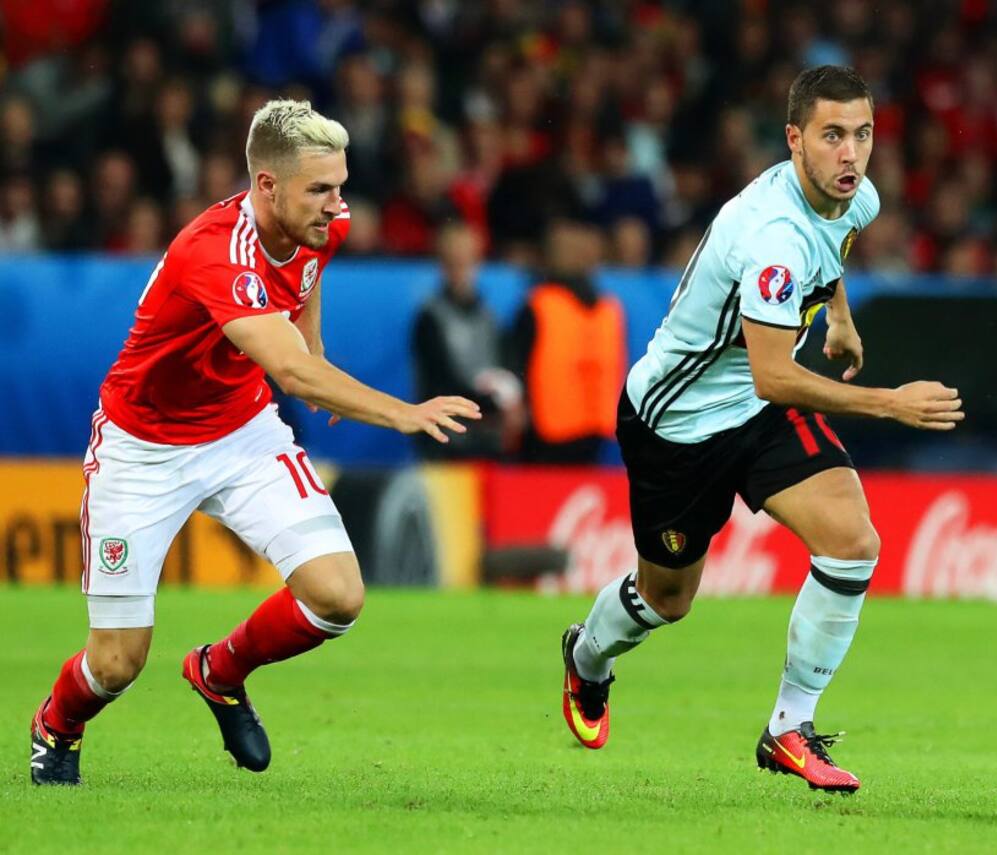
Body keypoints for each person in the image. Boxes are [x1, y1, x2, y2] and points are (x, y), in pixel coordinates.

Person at [29, 100, 480, 786]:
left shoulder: (322, 223)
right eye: (320, 189)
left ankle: (219, 670)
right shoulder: (216, 251)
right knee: (117, 662)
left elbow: (307, 286)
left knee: (338, 596)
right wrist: (399, 412)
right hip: (143, 446)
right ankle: (57, 724)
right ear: (266, 186)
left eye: (341, 185)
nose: (337, 205)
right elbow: (293, 371)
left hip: (241, 430)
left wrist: (318, 346)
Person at [559, 67, 964, 793]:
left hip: (757, 408)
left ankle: (788, 727)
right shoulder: (770, 236)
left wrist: (838, 315)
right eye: (832, 135)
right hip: (675, 427)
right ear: (794, 139)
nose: (851, 154)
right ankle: (587, 657)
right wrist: (892, 404)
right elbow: (776, 372)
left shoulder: (853, 196)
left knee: (852, 540)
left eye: (863, 134)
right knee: (666, 600)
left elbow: (832, 245)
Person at [509, 220, 626, 463]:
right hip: (546, 433)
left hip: (593, 429)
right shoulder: (537, 305)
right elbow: (515, 365)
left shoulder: (609, 308)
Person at [411, 222, 523, 459]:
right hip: (446, 440)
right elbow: (439, 379)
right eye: (452, 262)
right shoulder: (429, 318)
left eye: (465, 261)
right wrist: (490, 402)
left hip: (488, 438)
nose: (459, 270)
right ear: (442, 265)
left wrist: (511, 401)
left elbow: (508, 365)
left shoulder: (490, 317)